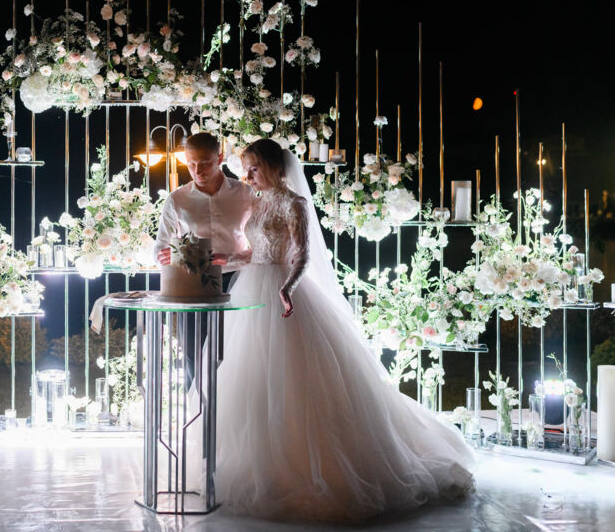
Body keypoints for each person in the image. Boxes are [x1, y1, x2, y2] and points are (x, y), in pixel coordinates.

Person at [212, 138, 475, 523]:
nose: (247, 175)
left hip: (286, 294)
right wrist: (227, 259)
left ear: (271, 166)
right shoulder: (257, 202)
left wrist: (288, 287)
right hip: (252, 290)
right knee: (251, 377)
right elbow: (256, 251)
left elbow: (301, 253)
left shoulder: (293, 203)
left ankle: (309, 464)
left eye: (253, 167)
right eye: (245, 168)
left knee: (297, 383)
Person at [154, 132, 254, 387]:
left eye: (205, 163)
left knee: (238, 357)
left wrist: (232, 258)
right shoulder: (177, 200)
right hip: (192, 288)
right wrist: (167, 256)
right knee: (193, 358)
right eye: (191, 164)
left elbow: (262, 246)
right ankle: (195, 421)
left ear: (219, 158)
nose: (197, 170)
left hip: (239, 284)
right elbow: (160, 249)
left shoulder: (245, 194)